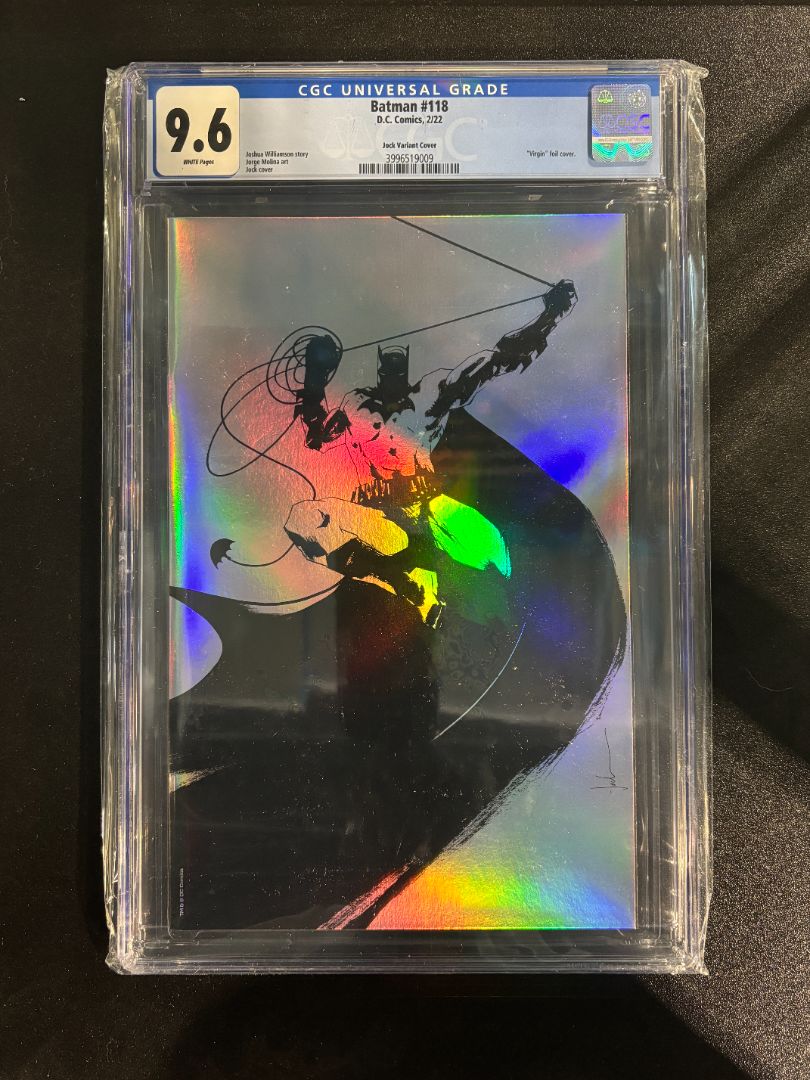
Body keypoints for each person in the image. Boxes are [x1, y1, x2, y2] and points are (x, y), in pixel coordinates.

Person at [284, 280, 577, 627]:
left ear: (406, 372)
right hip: (378, 514)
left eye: (398, 372)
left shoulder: (429, 399)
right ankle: (400, 582)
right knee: (303, 518)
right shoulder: (356, 405)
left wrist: (549, 317)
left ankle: (470, 602)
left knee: (494, 556)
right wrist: (314, 378)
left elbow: (493, 362)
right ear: (379, 373)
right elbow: (316, 435)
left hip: (429, 507)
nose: (392, 380)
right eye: (386, 372)